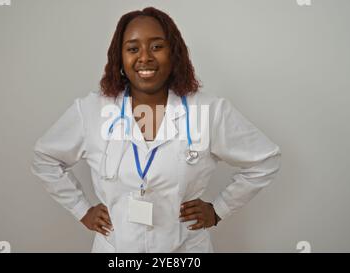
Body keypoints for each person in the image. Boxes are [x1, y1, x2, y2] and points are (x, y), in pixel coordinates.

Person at [31, 6, 281, 252]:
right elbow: (45, 158)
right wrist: (81, 209)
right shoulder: (91, 110)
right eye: (132, 48)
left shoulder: (208, 110)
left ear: (174, 53)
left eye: (157, 46)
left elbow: (265, 160)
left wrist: (219, 209)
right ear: (120, 58)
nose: (145, 57)